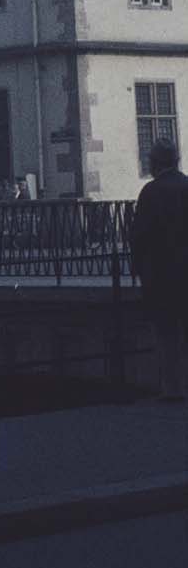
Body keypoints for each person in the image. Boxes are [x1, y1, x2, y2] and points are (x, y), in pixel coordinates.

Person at [130, 136, 188, 400]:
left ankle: (172, 388)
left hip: (161, 274)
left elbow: (139, 234)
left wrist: (137, 267)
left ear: (155, 163)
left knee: (166, 334)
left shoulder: (151, 192)